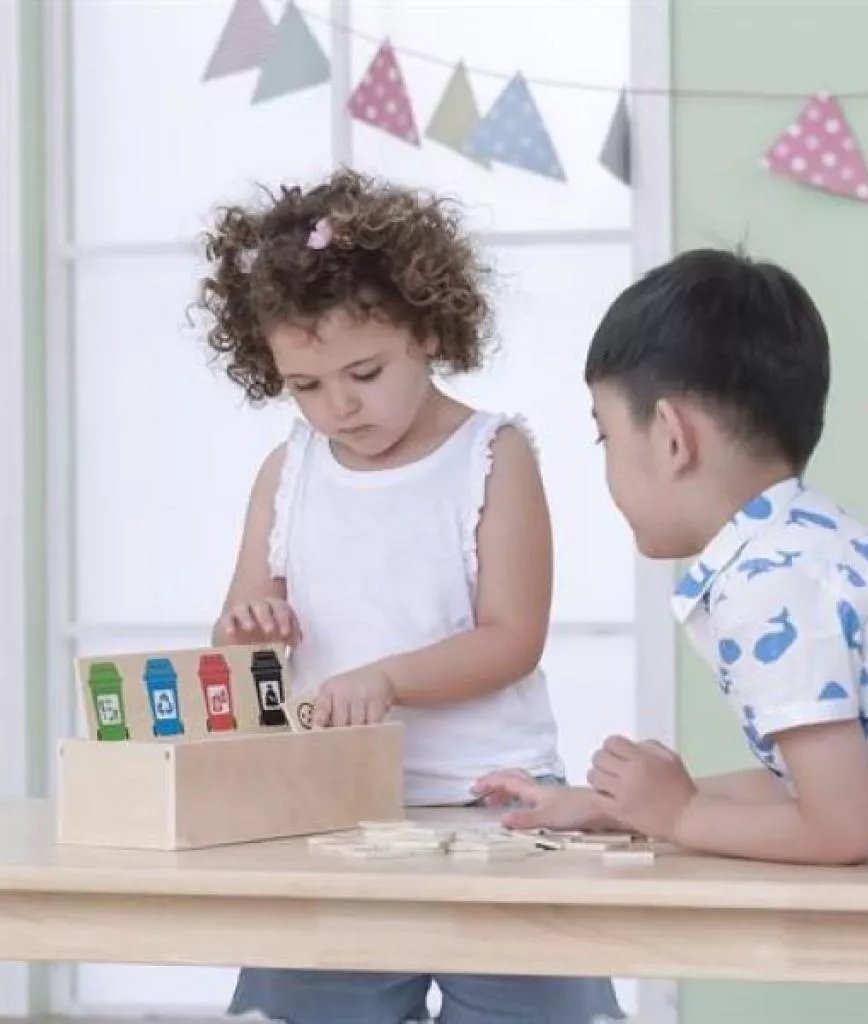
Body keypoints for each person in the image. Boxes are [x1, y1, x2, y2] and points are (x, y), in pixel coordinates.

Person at [474, 247, 868, 1022]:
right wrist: (623, 806)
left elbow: (843, 827)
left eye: (604, 437)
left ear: (671, 437)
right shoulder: (806, 545)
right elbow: (822, 782)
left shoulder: (768, 584)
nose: (605, 469)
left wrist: (677, 817)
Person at [195, 168, 622, 1024]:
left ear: (426, 329)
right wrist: (250, 632)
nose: (339, 406)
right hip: (331, 807)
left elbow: (512, 637)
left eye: (364, 371)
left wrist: (385, 680)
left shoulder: (492, 457)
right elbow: (237, 645)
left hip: (494, 803)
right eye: (306, 386)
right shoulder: (288, 472)